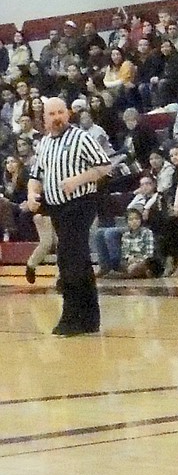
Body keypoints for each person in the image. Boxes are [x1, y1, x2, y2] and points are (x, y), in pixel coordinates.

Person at [25, 97, 116, 335]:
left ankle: (71, 317)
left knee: (69, 258)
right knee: (81, 261)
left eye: (60, 113)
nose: (57, 118)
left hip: (80, 204)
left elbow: (105, 166)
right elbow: (35, 175)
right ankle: (90, 319)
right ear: (44, 119)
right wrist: (32, 194)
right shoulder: (44, 143)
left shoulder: (81, 137)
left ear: (68, 114)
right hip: (56, 208)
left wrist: (77, 180)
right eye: (51, 114)